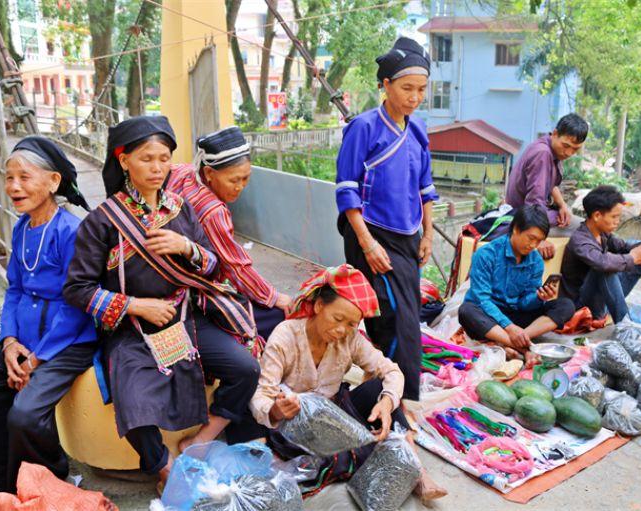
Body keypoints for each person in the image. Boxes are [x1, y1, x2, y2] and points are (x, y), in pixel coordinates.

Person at [63, 116, 261, 491]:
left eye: (164, 158)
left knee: (245, 368)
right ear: (123, 161)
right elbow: (78, 288)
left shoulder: (181, 208)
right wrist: (136, 305)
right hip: (131, 326)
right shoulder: (103, 221)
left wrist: (186, 247)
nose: (157, 168)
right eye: (147, 159)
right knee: (131, 395)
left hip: (184, 317)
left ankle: (200, 441)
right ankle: (164, 468)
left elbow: (215, 268)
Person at [249, 264, 446, 500]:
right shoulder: (286, 335)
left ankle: (419, 473)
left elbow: (392, 371)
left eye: (351, 324)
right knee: (337, 454)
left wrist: (387, 401)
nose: (342, 329)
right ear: (319, 306)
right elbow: (261, 393)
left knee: (378, 390)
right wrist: (275, 410)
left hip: (334, 413)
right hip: (294, 425)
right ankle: (361, 456)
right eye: (337, 318)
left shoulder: (351, 339)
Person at [0, 137, 96, 496]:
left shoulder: (71, 232)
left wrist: (36, 358)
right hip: (22, 338)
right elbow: (13, 290)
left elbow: (77, 304)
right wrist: (10, 341)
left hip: (66, 343)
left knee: (25, 415)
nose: (14, 186)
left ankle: (54, 478)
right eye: (8, 178)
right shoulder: (21, 228)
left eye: (25, 177)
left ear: (53, 182)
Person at [335, 36, 438, 401]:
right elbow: (346, 190)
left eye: (422, 89)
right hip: (371, 234)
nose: (414, 97)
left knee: (408, 317)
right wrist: (368, 244)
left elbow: (425, 187)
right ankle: (396, 398)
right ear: (386, 85)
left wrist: (427, 235)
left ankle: (383, 391)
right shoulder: (363, 128)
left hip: (408, 237)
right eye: (407, 88)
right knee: (392, 319)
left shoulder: (418, 129)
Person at [166, 126, 289, 340]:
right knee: (276, 315)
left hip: (172, 273)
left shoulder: (184, 172)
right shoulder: (212, 210)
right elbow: (235, 267)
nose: (240, 187)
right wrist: (274, 296)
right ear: (209, 173)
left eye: (245, 179)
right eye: (234, 180)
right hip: (192, 289)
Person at [458, 206, 575, 366]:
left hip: (517, 317)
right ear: (516, 229)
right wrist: (510, 327)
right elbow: (482, 300)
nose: (533, 245)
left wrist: (538, 297)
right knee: (467, 310)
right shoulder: (486, 255)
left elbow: (524, 303)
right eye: (530, 238)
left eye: (539, 241)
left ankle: (510, 342)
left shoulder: (536, 261)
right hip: (491, 317)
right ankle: (526, 349)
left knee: (565, 305)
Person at [560, 185, 641, 323]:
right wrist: (632, 257)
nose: (617, 221)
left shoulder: (604, 234)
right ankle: (625, 326)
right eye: (614, 217)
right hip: (584, 307)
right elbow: (603, 263)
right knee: (605, 269)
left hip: (605, 299)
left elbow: (623, 246)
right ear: (597, 216)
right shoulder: (580, 241)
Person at [504, 113, 589, 259]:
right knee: (588, 230)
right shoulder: (542, 154)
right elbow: (534, 201)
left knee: (578, 223)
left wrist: (563, 205)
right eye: (566, 146)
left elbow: (550, 184)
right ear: (555, 134)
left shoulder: (551, 148)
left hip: (534, 212)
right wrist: (538, 239)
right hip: (524, 218)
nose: (569, 153)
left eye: (575, 149)